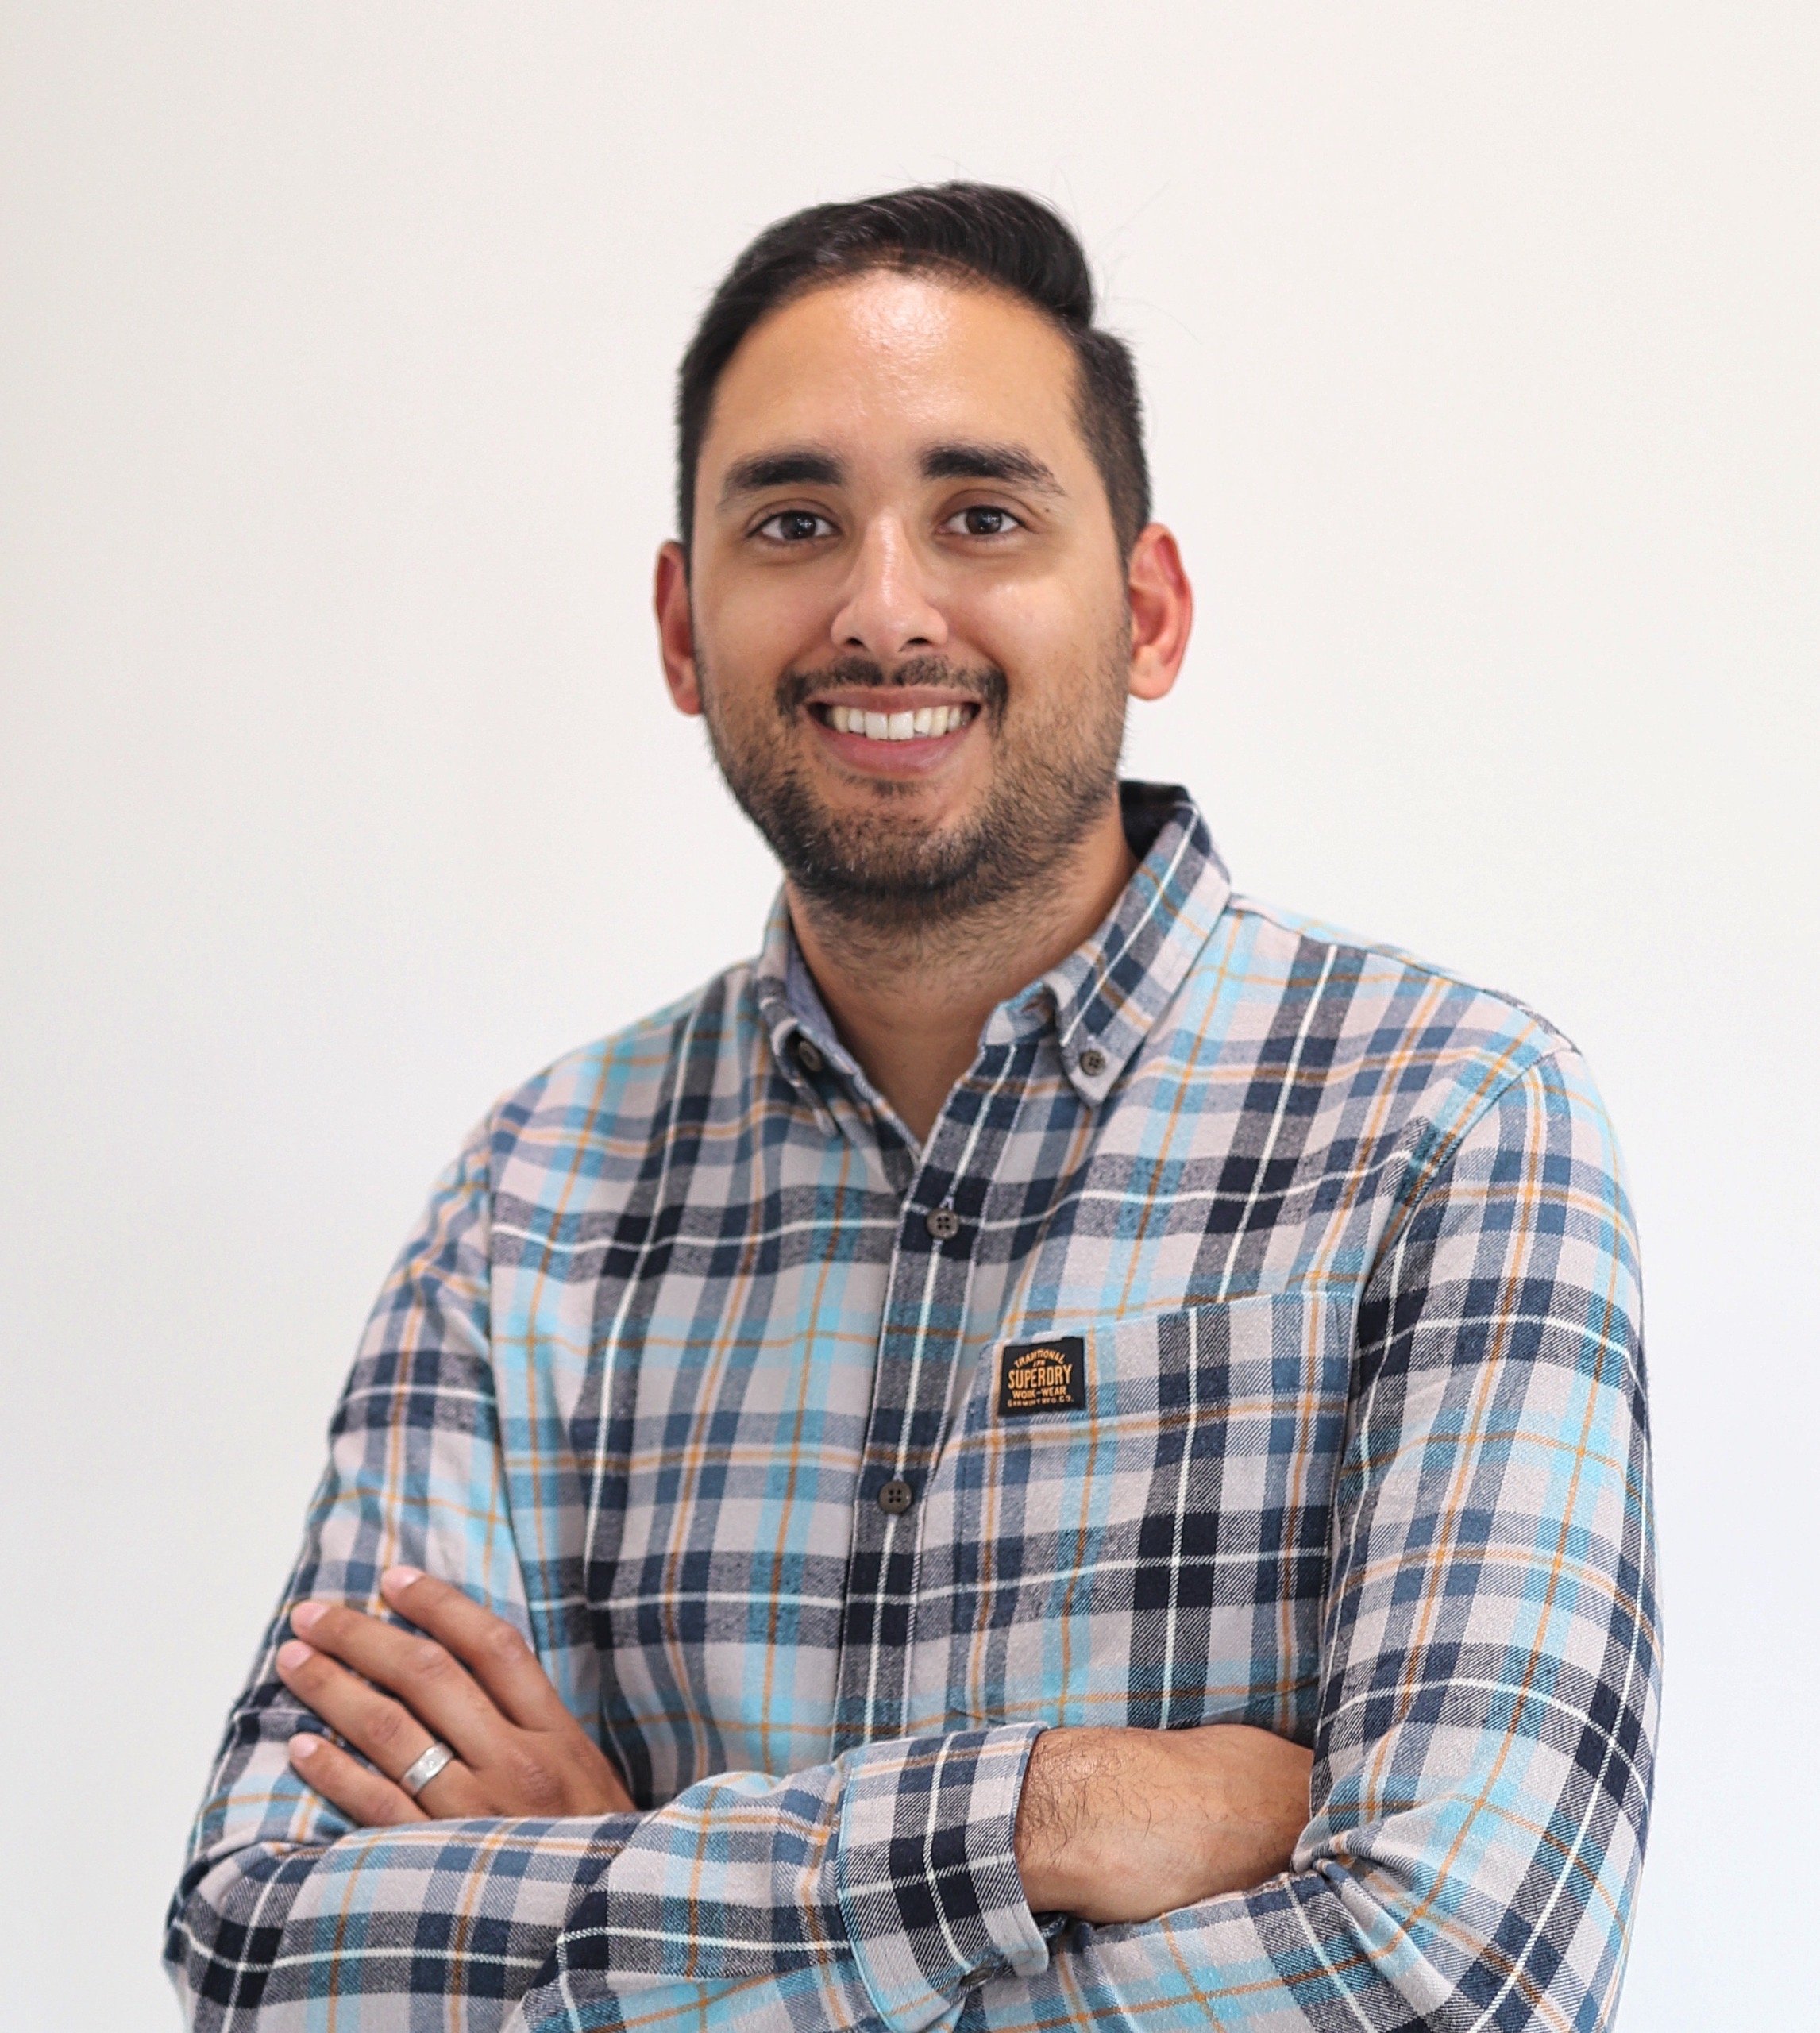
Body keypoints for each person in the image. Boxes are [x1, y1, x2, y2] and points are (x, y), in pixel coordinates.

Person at [166, 183, 1659, 2033]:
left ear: (1146, 606)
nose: (884, 608)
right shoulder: (532, 1197)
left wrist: (627, 1874)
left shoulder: (1447, 1127)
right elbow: (261, 1947)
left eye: (981, 514)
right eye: (795, 521)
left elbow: (1454, 1977)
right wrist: (1048, 1813)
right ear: (680, 625)